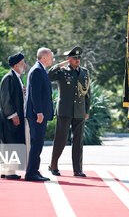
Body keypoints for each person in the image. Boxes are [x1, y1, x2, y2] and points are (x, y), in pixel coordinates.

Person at [48, 46, 90, 177]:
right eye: (74, 58)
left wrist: (86, 110)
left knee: (78, 141)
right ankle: (53, 165)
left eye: (79, 58)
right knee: (60, 139)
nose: (77, 60)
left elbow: (88, 93)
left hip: (79, 111)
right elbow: (49, 76)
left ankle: (78, 169)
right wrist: (60, 65)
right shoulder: (62, 71)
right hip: (65, 110)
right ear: (69, 59)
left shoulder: (84, 72)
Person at [0, 53, 27, 180]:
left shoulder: (16, 77)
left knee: (12, 143)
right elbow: (6, 100)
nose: (25, 65)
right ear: (16, 65)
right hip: (9, 119)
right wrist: (13, 115)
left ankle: (6, 170)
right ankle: (9, 172)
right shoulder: (9, 78)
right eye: (23, 63)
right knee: (9, 144)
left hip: (14, 117)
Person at [25, 47, 54, 181]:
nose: (52, 58)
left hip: (39, 114)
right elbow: (35, 94)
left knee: (38, 143)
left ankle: (34, 170)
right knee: (37, 142)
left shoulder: (40, 69)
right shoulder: (37, 70)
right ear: (44, 57)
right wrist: (39, 112)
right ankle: (31, 173)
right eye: (50, 56)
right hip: (37, 115)